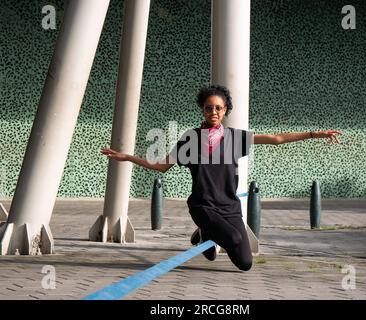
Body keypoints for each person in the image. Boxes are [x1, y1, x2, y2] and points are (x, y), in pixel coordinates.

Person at [101, 85, 342, 271]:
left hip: (230, 208)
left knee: (245, 264)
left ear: (225, 110)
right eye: (208, 107)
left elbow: (276, 139)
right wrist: (128, 157)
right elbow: (163, 166)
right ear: (203, 110)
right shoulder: (190, 138)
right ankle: (205, 230)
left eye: (218, 108)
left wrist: (314, 134)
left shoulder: (236, 138)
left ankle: (204, 234)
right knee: (234, 237)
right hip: (202, 206)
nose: (213, 112)